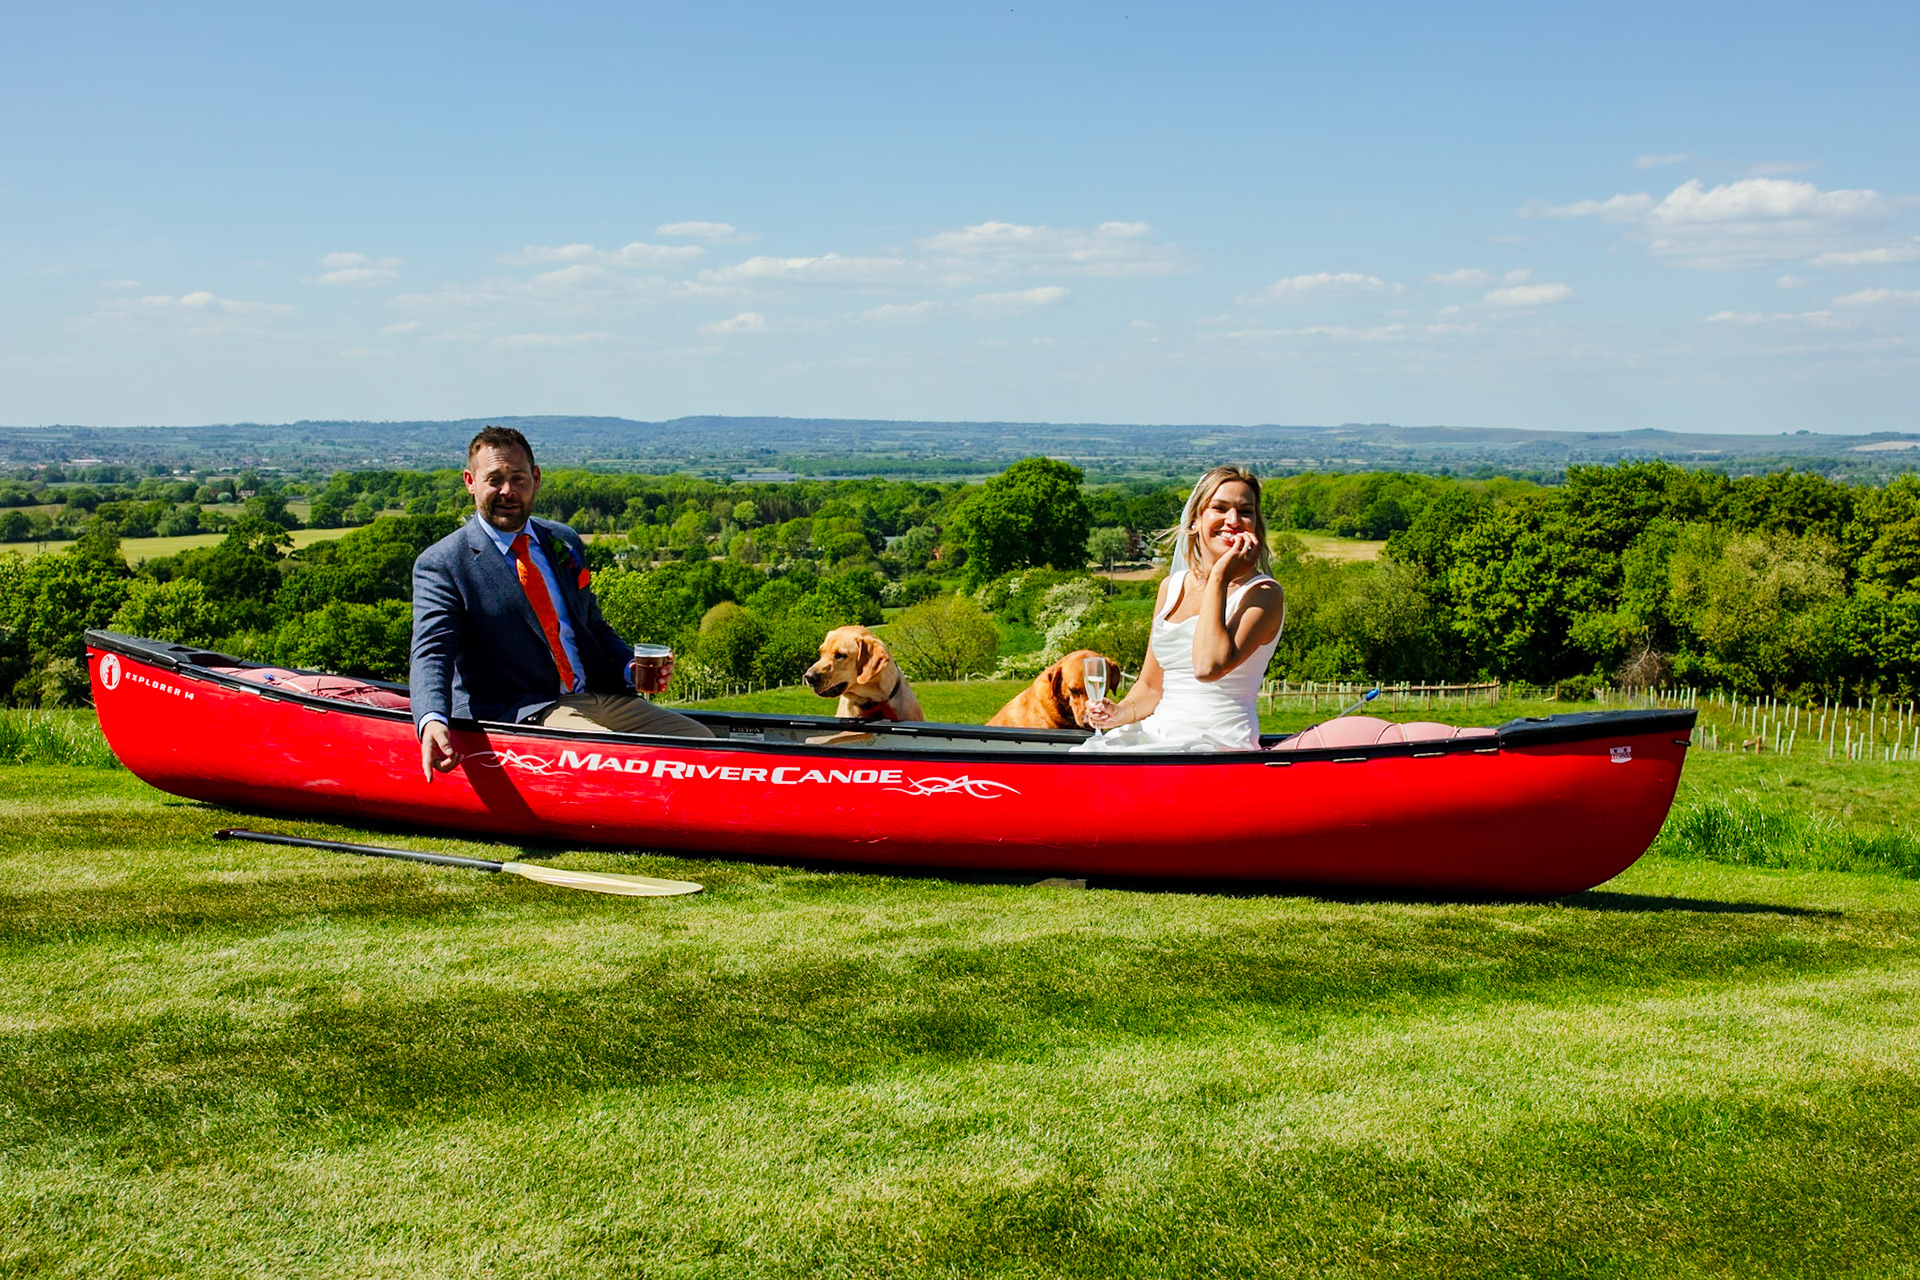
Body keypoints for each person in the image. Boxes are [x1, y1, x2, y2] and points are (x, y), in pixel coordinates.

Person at [411, 426, 711, 779]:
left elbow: (592, 627)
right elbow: (432, 651)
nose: (507, 490)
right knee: (620, 761)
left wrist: (629, 668)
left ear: (535, 479)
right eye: (494, 479)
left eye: (518, 478)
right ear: (470, 482)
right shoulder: (445, 563)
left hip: (597, 697)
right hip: (523, 708)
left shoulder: (563, 541)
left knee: (702, 746)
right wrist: (431, 719)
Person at [1078, 465, 1284, 752]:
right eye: (1220, 508)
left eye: (1245, 511)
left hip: (1216, 743)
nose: (1233, 520)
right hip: (1158, 733)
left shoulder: (1264, 594)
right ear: (1195, 521)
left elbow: (1208, 667)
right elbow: (1151, 687)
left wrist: (1220, 578)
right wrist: (1118, 712)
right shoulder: (1171, 588)